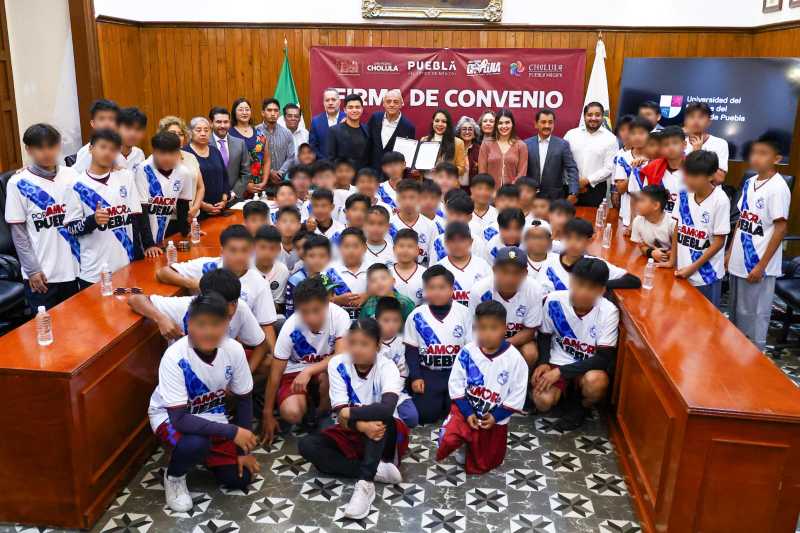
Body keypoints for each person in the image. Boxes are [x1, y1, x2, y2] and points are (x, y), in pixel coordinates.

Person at [149, 293, 259, 512]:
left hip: (212, 415)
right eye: (201, 325)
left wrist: (243, 452)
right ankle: (174, 477)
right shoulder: (175, 356)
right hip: (168, 417)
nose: (208, 332)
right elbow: (179, 419)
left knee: (239, 479)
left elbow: (244, 399)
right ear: (189, 324)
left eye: (216, 324)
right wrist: (232, 432)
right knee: (196, 444)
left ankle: (204, 456)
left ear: (227, 324)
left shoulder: (234, 350)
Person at [298, 318, 408, 519]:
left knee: (379, 421)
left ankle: (365, 484)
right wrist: (361, 426)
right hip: (352, 429)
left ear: (377, 345)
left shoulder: (387, 367)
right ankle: (375, 470)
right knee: (307, 445)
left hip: (385, 433)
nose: (357, 349)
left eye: (364, 344)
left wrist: (352, 414)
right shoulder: (338, 364)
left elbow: (386, 409)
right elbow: (341, 415)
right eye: (353, 343)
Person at [436, 300, 527, 474]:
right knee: (448, 439)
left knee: (486, 463)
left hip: (493, 418)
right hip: (466, 411)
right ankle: (462, 440)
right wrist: (467, 412)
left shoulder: (515, 359)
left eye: (493, 328)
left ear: (504, 328)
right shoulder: (467, 352)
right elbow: (456, 383)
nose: (487, 333)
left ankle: (475, 445)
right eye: (482, 328)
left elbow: (517, 394)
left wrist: (495, 416)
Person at [156, 225, 278, 351]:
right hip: (200, 338)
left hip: (235, 342)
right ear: (222, 251)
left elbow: (267, 325)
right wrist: (196, 284)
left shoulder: (259, 283)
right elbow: (163, 273)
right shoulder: (208, 266)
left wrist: (275, 355)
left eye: (244, 250)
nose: (239, 256)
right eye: (233, 250)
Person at [532, 257, 619, 430]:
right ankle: (565, 395)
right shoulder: (554, 300)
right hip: (558, 360)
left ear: (602, 290)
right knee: (542, 402)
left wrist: (560, 373)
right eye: (579, 284)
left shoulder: (609, 311)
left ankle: (582, 406)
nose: (583, 292)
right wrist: (543, 362)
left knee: (597, 382)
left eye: (591, 287)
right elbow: (544, 335)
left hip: (587, 367)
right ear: (571, 281)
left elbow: (604, 358)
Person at [262, 277, 350, 442]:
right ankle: (307, 406)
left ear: (327, 304)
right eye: (304, 312)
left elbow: (340, 355)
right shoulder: (290, 326)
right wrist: (267, 413)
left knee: (330, 375)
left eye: (316, 310)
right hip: (295, 370)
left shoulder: (340, 316)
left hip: (325, 369)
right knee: (291, 413)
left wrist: (309, 371)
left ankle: (323, 414)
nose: (311, 318)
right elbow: (275, 373)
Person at [128, 268, 267, 370]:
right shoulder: (185, 306)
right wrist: (161, 318)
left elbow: (261, 344)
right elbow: (135, 299)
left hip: (223, 366)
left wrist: (244, 377)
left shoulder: (241, 308)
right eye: (225, 304)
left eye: (234, 302)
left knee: (268, 364)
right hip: (188, 371)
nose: (231, 310)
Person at [5, 123, 79, 309]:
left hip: (75, 268)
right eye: (40, 147)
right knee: (46, 325)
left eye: (51, 146)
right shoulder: (18, 183)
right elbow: (19, 234)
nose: (47, 152)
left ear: (59, 145)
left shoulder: (72, 175)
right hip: (43, 274)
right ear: (29, 150)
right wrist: (32, 270)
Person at [727, 135, 791, 351]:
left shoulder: (778, 187)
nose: (756, 158)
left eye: (763, 153)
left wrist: (761, 265)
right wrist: (729, 252)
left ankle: (753, 358)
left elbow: (781, 228)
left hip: (758, 263)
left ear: (777, 158)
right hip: (738, 259)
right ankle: (734, 354)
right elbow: (742, 218)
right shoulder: (749, 182)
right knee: (736, 314)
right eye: (754, 152)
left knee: (755, 316)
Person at [64, 129, 141, 288]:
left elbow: (135, 217)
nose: (107, 153)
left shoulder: (126, 177)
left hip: (126, 267)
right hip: (94, 272)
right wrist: (93, 220)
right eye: (103, 147)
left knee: (129, 304)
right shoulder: (76, 185)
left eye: (113, 149)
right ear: (91, 149)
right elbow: (71, 228)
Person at [404, 264, 473, 427]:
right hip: (428, 373)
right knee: (425, 415)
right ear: (425, 290)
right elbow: (411, 350)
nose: (436, 292)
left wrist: (467, 379)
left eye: (442, 287)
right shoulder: (417, 315)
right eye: (431, 288)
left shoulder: (464, 313)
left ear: (452, 289)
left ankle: (445, 402)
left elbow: (470, 350)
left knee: (459, 414)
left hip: (455, 374)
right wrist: (416, 377)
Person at [660, 150, 730, 306]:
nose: (688, 180)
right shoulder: (683, 194)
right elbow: (678, 227)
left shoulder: (720, 200)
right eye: (686, 174)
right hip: (682, 269)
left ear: (711, 176)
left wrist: (693, 268)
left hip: (707, 275)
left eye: (695, 176)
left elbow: (719, 242)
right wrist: (672, 260)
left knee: (705, 318)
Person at [469, 246, 544, 367]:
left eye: (516, 272)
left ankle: (522, 378)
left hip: (517, 341)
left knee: (530, 352)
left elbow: (530, 330)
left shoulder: (534, 290)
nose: (510, 278)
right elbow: (474, 327)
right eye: (504, 271)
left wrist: (503, 345)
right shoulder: (479, 290)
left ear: (525, 273)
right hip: (486, 338)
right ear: (494, 270)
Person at [542, 217, 641, 291]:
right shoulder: (549, 259)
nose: (572, 243)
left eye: (578, 239)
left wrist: (596, 286)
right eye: (568, 238)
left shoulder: (592, 265)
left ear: (589, 241)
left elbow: (633, 281)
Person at [135, 132, 193, 250]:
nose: (167, 158)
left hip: (160, 238)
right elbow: (141, 211)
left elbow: (183, 206)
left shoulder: (184, 172)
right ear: (154, 152)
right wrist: (149, 245)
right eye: (162, 153)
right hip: (141, 238)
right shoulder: (143, 169)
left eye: (172, 153)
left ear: (178, 153)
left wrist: (186, 232)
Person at [374, 296, 419, 428]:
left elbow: (403, 373)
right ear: (376, 320)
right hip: (371, 390)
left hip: (396, 390)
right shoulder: (370, 340)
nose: (391, 325)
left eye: (396, 321)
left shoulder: (402, 343)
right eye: (386, 320)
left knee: (412, 418)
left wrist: (390, 393)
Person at [565, 102, 619, 207]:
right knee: (566, 216)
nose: (593, 118)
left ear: (602, 117)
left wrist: (587, 180)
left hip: (595, 189)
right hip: (570, 187)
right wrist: (574, 182)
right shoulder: (571, 135)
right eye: (589, 115)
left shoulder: (611, 139)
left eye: (597, 115)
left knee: (592, 217)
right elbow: (563, 160)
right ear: (584, 116)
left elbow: (610, 167)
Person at [524, 108, 578, 201]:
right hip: (531, 197)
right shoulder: (526, 144)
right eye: (543, 122)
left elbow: (572, 169)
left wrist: (573, 192)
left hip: (555, 198)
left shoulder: (563, 145)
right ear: (536, 124)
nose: (547, 125)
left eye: (550, 122)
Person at [158, 116, 205, 222]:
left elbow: (200, 187)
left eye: (180, 134)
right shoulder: (157, 160)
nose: (177, 137)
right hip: (169, 219)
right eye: (173, 133)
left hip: (193, 216)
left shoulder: (191, 157)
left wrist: (195, 208)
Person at [435, 222, 492, 306]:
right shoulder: (438, 269)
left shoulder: (483, 266)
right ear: (446, 243)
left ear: (471, 241)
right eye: (452, 240)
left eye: (462, 240)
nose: (457, 245)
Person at [184, 117, 230, 219]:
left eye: (206, 130)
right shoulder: (185, 153)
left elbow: (225, 177)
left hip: (220, 209)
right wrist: (202, 205)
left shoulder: (215, 151)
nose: (203, 133)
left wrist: (224, 199)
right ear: (190, 132)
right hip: (197, 211)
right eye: (198, 130)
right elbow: (185, 186)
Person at [613, 116, 651, 227]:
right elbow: (620, 189)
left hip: (649, 217)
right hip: (626, 216)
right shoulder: (622, 158)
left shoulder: (655, 158)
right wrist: (636, 172)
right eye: (633, 133)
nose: (637, 137)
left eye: (641, 133)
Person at [389, 179, 437, 265]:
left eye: (412, 197)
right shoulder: (389, 225)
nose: (408, 202)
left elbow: (433, 257)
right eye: (403, 197)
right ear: (397, 199)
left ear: (419, 199)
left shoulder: (430, 225)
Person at [640, 125, 686, 213]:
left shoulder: (694, 168)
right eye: (666, 144)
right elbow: (646, 198)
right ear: (661, 148)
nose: (671, 147)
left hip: (687, 219)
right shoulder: (651, 168)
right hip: (658, 218)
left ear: (684, 145)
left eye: (675, 143)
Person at [366, 89, 416, 171]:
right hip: (373, 171)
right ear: (383, 104)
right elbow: (366, 140)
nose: (392, 105)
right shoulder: (375, 118)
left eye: (396, 102)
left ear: (401, 104)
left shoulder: (408, 127)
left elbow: (407, 156)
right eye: (388, 101)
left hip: (394, 173)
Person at [325, 227, 369, 319]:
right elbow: (319, 301)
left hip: (368, 323)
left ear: (365, 248)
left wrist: (368, 296)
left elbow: (389, 295)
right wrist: (336, 300)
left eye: (355, 246)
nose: (351, 251)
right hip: (338, 322)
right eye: (346, 246)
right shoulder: (328, 271)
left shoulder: (373, 270)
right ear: (339, 248)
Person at [478, 108, 528, 190]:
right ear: (496, 125)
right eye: (500, 123)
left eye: (507, 122)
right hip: (489, 193)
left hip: (512, 193)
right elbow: (482, 173)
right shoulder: (486, 144)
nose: (504, 126)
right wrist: (490, 191)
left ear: (512, 124)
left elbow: (522, 174)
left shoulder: (521, 146)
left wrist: (510, 190)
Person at [430, 194, 489, 263]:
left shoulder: (478, 243)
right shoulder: (438, 241)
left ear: (470, 217)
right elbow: (433, 267)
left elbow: (481, 266)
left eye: (459, 215)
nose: (454, 219)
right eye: (451, 214)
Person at [209, 106, 252, 200]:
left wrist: (233, 193)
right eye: (218, 122)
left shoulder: (240, 143)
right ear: (211, 123)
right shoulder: (204, 144)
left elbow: (246, 173)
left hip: (234, 198)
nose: (222, 125)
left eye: (226, 122)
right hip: (210, 200)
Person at [285, 234, 332, 316]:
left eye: (322, 256)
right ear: (304, 257)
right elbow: (291, 312)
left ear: (329, 258)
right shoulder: (295, 280)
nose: (317, 260)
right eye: (312, 256)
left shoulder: (330, 277)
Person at [683, 102, 729, 185]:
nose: (696, 121)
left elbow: (719, 179)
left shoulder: (720, 143)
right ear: (685, 121)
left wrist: (698, 153)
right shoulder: (679, 143)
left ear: (709, 121)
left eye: (701, 117)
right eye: (691, 116)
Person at [228, 98, 268, 189]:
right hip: (237, 187)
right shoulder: (228, 134)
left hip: (259, 185)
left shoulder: (260, 134)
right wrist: (245, 185)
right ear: (234, 112)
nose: (244, 112)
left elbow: (267, 160)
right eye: (240, 110)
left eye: (247, 109)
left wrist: (264, 181)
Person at [631, 185, 675, 266]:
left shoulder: (672, 223)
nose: (637, 203)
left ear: (656, 206)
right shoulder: (638, 221)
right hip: (652, 263)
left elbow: (680, 250)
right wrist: (651, 253)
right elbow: (641, 246)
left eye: (642, 200)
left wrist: (666, 254)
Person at [72, 99, 121, 173]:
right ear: (93, 124)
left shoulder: (124, 148)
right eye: (101, 119)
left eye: (111, 119)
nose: (107, 123)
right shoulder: (86, 152)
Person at [255, 98, 296, 183]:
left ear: (279, 113)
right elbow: (252, 158)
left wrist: (280, 173)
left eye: (276, 110)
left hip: (281, 181)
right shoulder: (254, 132)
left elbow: (291, 157)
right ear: (263, 113)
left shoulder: (287, 133)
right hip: (260, 182)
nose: (273, 113)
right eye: (269, 110)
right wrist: (269, 172)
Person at [253, 225, 290, 316]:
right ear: (254, 246)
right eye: (262, 247)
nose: (267, 253)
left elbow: (278, 305)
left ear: (279, 250)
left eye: (272, 248)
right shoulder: (244, 267)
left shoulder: (282, 271)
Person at [327, 93, 370, 171]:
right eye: (350, 107)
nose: (354, 110)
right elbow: (331, 160)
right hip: (343, 176)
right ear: (345, 110)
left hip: (363, 176)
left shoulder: (367, 129)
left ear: (362, 109)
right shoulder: (334, 131)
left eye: (357, 107)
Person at [420, 109, 466, 178]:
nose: (440, 124)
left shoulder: (458, 143)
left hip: (447, 182)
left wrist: (444, 170)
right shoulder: (424, 140)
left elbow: (461, 169)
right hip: (426, 182)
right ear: (433, 122)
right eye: (437, 121)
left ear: (448, 124)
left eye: (444, 121)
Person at [392, 229, 425, 306]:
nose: (405, 250)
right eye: (401, 246)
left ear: (417, 250)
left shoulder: (425, 274)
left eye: (410, 246)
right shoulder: (386, 274)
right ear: (394, 249)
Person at [309, 87, 345, 159]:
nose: (330, 103)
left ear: (339, 102)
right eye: (327, 100)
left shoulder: (347, 119)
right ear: (323, 103)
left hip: (343, 164)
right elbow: (313, 147)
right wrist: (325, 162)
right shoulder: (316, 121)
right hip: (323, 163)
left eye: (333, 100)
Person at [524, 220, 557, 291]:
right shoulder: (518, 261)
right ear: (525, 240)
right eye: (532, 237)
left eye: (541, 237)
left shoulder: (558, 261)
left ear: (550, 240)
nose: (537, 241)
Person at [116, 107, 147, 172]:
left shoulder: (139, 153)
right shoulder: (105, 152)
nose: (133, 134)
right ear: (117, 128)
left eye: (138, 129)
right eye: (128, 128)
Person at [455, 115, 481, 187]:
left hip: (473, 189)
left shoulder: (479, 150)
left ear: (474, 133)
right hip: (455, 188)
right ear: (459, 132)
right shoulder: (454, 148)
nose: (467, 132)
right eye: (464, 129)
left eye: (470, 129)